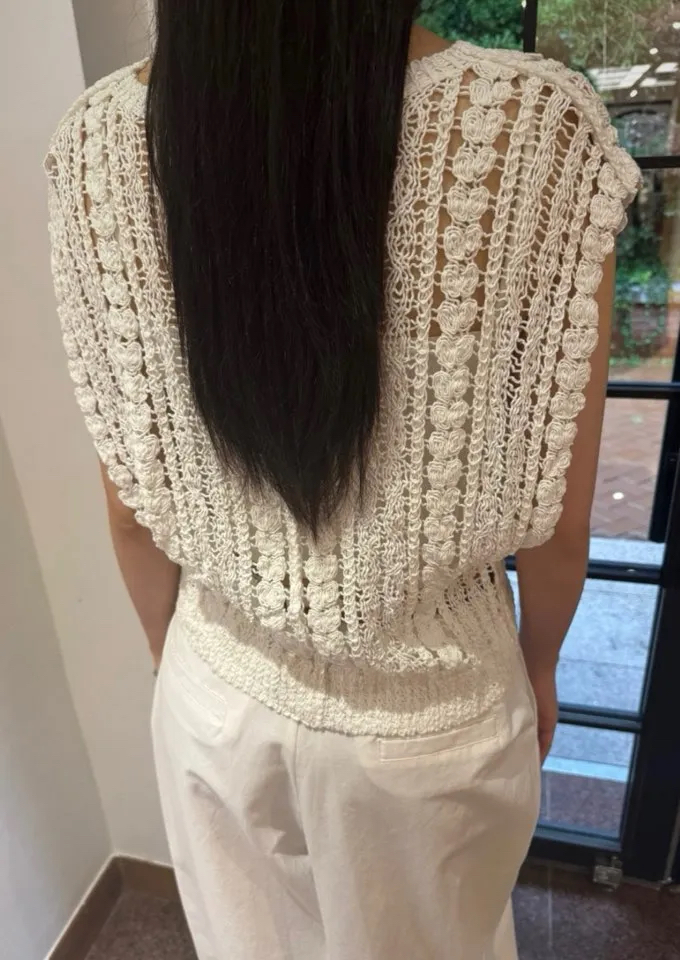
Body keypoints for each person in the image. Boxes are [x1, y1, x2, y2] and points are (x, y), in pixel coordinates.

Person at [45, 4, 640, 958]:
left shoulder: (95, 142)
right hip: (438, 710)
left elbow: (130, 510)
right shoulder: (538, 129)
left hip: (214, 693)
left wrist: (176, 664)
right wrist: (538, 666)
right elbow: (560, 524)